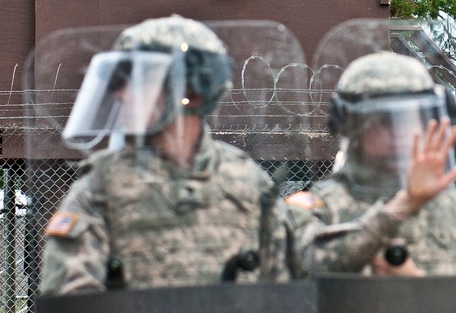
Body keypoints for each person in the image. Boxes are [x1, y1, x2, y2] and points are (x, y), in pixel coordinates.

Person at [40, 15, 292, 294]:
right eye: (118, 81)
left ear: (192, 91)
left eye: (135, 79)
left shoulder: (248, 183)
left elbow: (286, 295)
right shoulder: (99, 189)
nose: (120, 95)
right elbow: (70, 299)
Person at [286, 52, 456, 277]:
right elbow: (293, 273)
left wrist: (416, 289)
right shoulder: (317, 209)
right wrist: (402, 207)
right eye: (381, 120)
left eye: (409, 118)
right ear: (353, 128)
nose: (398, 132)